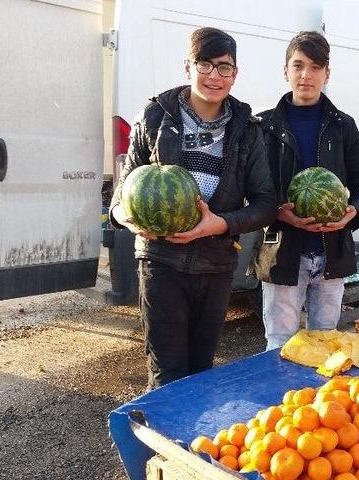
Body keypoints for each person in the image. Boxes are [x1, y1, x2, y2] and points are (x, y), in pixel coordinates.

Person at [109, 27, 277, 388]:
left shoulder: (246, 129)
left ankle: (191, 444)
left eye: (224, 67)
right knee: (167, 373)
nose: (214, 76)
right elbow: (120, 199)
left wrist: (218, 224)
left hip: (215, 266)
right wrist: (130, 218)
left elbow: (265, 204)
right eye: (205, 64)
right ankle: (161, 444)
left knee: (201, 372)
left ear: (235, 73)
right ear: (188, 67)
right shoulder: (154, 118)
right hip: (161, 263)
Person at [256, 31, 359, 350]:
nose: (306, 75)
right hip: (282, 252)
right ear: (286, 71)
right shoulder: (263, 126)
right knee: (280, 343)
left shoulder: (343, 126)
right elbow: (249, 191)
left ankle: (319, 401)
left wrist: (353, 214)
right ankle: (281, 400)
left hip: (331, 251)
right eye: (298, 65)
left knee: (325, 341)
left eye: (315, 67)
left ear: (327, 74)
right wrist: (277, 213)